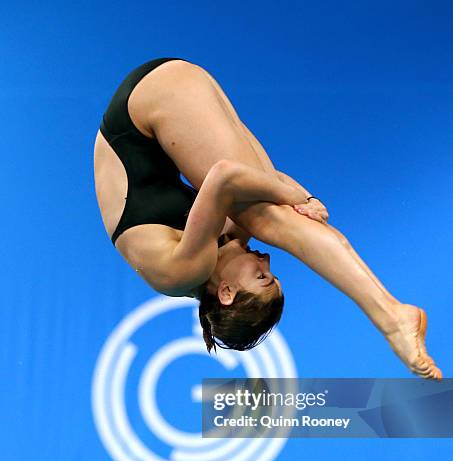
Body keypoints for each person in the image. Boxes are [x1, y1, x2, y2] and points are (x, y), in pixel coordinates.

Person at [93, 57, 442, 379]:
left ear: (226, 292)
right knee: (269, 216)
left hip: (147, 104)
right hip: (164, 90)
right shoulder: (225, 241)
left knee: (266, 219)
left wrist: (297, 197)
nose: (267, 260)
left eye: (262, 276)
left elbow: (224, 177)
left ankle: (393, 318)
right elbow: (266, 183)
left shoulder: (182, 272)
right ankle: (392, 314)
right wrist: (299, 200)